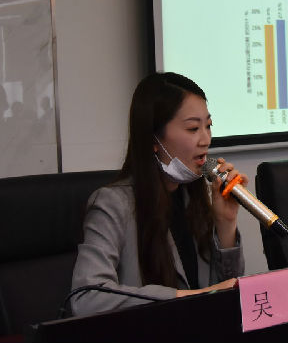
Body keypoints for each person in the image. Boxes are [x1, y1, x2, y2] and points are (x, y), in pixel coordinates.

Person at [70, 72, 246, 316]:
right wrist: (187, 298)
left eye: (208, 126)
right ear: (153, 139)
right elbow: (85, 298)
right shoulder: (113, 204)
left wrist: (226, 223)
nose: (205, 139)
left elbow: (228, 293)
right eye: (193, 128)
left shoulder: (193, 196)